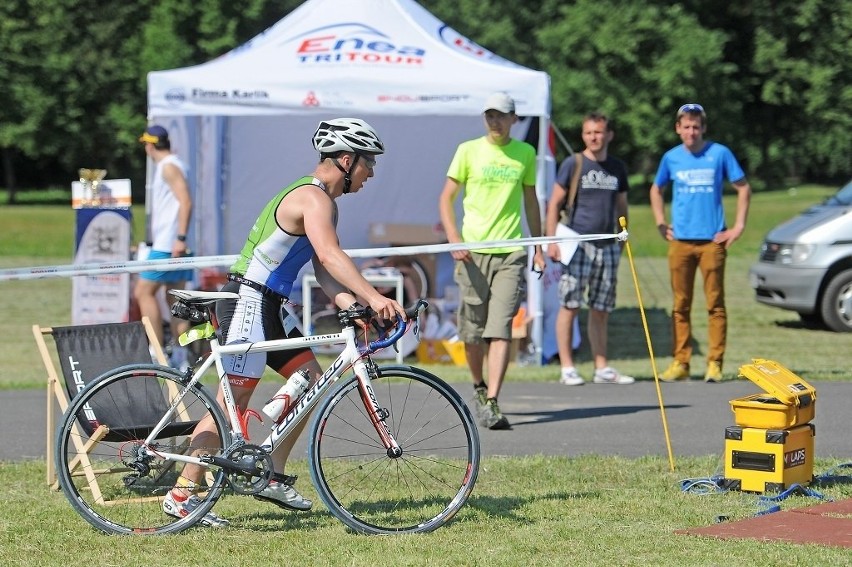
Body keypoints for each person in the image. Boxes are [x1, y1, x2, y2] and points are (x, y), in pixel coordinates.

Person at [162, 118, 406, 527]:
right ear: (346, 160)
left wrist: (352, 305)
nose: (372, 173)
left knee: (314, 380)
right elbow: (330, 257)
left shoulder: (322, 201)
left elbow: (324, 270)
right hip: (248, 303)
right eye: (369, 163)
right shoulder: (314, 199)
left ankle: (271, 472)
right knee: (232, 406)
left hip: (270, 306)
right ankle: (182, 493)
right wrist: (376, 296)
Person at [438, 92, 545, 431]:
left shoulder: (526, 153)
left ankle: (493, 400)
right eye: (490, 115)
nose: (495, 121)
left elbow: (531, 202)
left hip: (511, 252)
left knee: (500, 330)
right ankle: (478, 386)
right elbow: (446, 198)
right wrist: (454, 238)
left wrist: (538, 246)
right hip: (472, 254)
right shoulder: (467, 150)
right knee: (472, 333)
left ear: (514, 119)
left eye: (501, 115)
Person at [649, 103, 751, 383]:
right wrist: (660, 222)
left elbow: (743, 187)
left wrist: (738, 227)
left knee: (715, 304)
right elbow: (656, 189)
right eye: (686, 126)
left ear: (703, 128)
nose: (691, 132)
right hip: (680, 241)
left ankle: (714, 362)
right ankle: (681, 362)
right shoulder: (671, 158)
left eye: (696, 126)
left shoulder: (719, 153)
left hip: (712, 241)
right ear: (678, 129)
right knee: (680, 305)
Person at [544, 112, 633, 386]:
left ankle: (601, 366)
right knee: (570, 304)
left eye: (599, 132)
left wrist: (624, 232)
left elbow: (622, 205)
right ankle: (567, 366)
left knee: (601, 308)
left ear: (608, 135)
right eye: (589, 133)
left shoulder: (617, 167)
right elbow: (554, 204)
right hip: (577, 244)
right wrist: (551, 240)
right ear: (583, 136)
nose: (594, 137)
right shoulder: (574, 163)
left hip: (608, 245)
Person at [135, 125, 193, 370]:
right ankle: (181, 356)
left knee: (143, 292)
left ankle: (156, 353)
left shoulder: (168, 166)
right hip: (175, 243)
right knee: (175, 299)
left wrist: (179, 238)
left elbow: (185, 202)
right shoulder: (177, 163)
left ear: (149, 145)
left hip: (169, 245)